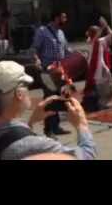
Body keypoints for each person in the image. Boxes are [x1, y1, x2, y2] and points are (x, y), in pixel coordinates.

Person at [0, 61, 97, 160]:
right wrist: (81, 125)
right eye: (26, 86)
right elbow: (86, 155)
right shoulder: (35, 145)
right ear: (19, 94)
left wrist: (30, 123)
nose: (29, 90)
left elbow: (6, 141)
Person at [31, 11, 72, 139]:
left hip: (60, 71)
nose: (65, 20)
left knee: (59, 98)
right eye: (63, 17)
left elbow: (66, 50)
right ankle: (48, 130)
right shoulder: (42, 31)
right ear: (56, 17)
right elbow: (34, 49)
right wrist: (36, 59)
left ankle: (56, 127)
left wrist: (78, 55)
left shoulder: (61, 33)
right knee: (50, 99)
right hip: (47, 71)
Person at [81, 17, 112, 113]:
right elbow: (95, 39)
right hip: (93, 68)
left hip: (101, 67)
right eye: (96, 31)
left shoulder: (100, 41)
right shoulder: (90, 42)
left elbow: (111, 34)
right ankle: (98, 103)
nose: (98, 33)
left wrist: (106, 25)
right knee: (97, 86)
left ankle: (102, 102)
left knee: (108, 84)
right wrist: (102, 27)